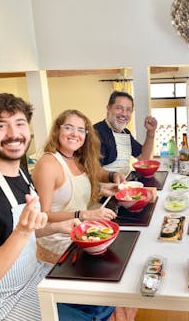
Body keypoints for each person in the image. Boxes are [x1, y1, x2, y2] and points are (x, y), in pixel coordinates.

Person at [0, 93, 115, 321]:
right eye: (1, 125)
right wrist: (24, 231)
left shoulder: (22, 175)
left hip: (31, 279)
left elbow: (31, 229)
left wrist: (57, 226)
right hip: (0, 306)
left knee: (105, 299)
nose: (13, 133)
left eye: (20, 123)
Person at [32, 109, 123, 263]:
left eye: (81, 130)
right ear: (57, 130)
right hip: (58, 239)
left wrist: (105, 183)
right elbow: (44, 216)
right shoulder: (48, 164)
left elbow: (74, 187)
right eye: (68, 127)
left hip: (80, 230)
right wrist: (85, 215)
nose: (75, 134)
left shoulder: (76, 158)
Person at [94, 91, 158, 174]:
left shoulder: (125, 133)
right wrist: (113, 177)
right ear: (108, 108)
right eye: (119, 108)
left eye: (128, 110)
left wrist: (151, 132)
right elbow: (93, 170)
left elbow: (143, 158)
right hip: (104, 186)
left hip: (124, 183)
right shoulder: (96, 132)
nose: (124, 114)